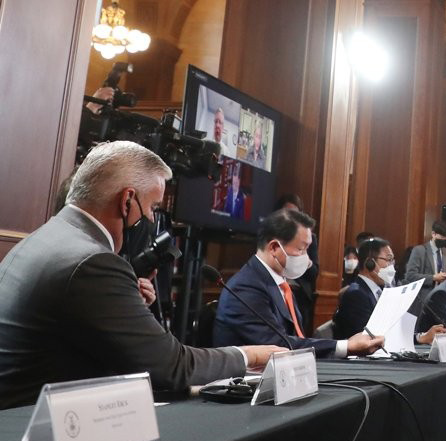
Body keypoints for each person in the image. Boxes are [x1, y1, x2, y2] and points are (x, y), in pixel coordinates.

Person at [0, 141, 283, 410]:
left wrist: (126, 305)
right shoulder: (95, 262)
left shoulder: (43, 238)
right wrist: (249, 355)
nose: (152, 219)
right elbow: (172, 367)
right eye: (152, 208)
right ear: (127, 201)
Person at [213, 209, 383, 358]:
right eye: (301, 249)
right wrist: (346, 346)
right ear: (274, 247)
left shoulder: (280, 283)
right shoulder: (246, 288)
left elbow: (296, 339)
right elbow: (278, 345)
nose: (307, 260)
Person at [333, 238, 397, 339]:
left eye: (392, 260)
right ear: (369, 263)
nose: (391, 265)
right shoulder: (356, 294)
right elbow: (367, 336)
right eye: (388, 259)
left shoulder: (380, 291)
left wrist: (417, 337)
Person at [276, 194, 319, 335]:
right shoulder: (271, 235)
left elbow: (314, 273)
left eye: (295, 213)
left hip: (299, 293)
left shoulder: (308, 238)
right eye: (287, 213)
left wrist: (305, 261)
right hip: (276, 290)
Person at [404, 220, 446, 292]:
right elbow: (410, 276)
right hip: (424, 295)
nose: (445, 241)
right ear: (433, 234)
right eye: (442, 237)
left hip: (442, 294)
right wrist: (433, 278)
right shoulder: (419, 251)